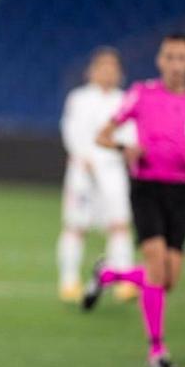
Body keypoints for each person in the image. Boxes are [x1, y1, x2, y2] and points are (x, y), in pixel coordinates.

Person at [83, 33, 185, 367]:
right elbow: (102, 135)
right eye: (169, 56)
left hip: (180, 194)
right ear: (160, 61)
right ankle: (157, 351)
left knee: (168, 279)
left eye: (182, 57)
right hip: (147, 188)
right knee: (155, 267)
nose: (175, 64)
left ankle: (108, 274)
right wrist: (125, 149)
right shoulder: (142, 94)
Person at [57, 47, 137, 303]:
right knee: (75, 226)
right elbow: (71, 132)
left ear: (119, 72)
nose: (107, 71)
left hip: (113, 171)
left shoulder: (126, 100)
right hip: (82, 171)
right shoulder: (79, 98)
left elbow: (130, 136)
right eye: (102, 66)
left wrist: (116, 155)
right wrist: (84, 157)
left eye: (112, 66)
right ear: (92, 70)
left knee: (119, 225)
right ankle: (69, 281)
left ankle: (122, 279)